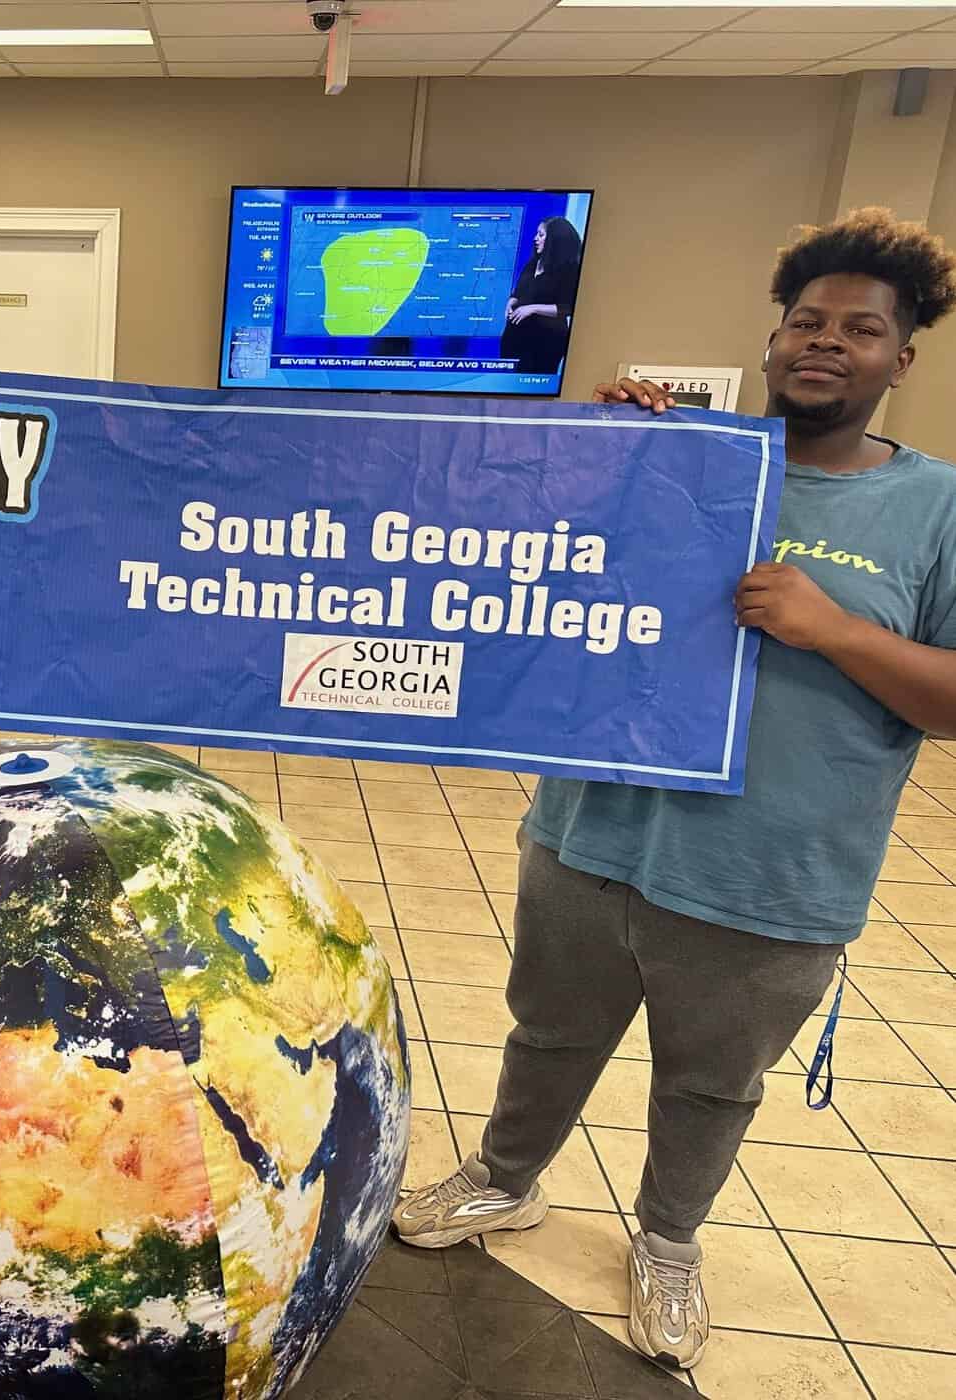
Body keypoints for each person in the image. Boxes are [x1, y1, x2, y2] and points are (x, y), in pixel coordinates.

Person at [393, 207, 956, 1370]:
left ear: (901, 359)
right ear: (769, 342)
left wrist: (834, 628)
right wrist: (595, 453)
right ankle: (504, 1179)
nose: (823, 342)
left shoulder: (935, 507)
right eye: (804, 320)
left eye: (858, 329)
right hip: (592, 834)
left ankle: (667, 1239)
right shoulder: (680, 461)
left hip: (773, 869)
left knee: (709, 1081)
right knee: (547, 1033)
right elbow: (519, 566)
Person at [500, 216, 584, 376]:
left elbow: (568, 307)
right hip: (515, 339)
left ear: (555, 240)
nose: (535, 239)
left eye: (541, 235)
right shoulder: (534, 263)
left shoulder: (570, 271)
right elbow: (520, 291)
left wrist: (532, 309)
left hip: (545, 341)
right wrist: (512, 301)